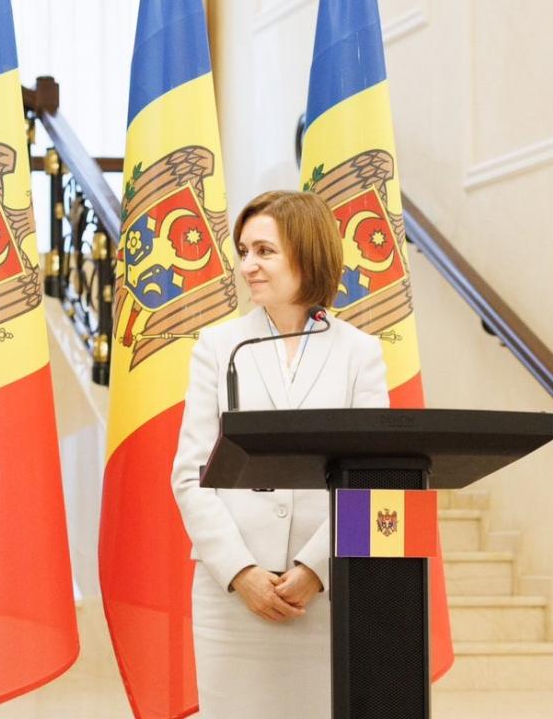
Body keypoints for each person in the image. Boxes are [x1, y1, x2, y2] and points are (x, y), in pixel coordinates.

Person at [170, 190, 388, 718]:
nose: (248, 266)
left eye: (264, 251)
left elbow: (375, 478)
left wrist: (316, 568)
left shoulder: (360, 353)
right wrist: (241, 570)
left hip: (327, 594)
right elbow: (190, 476)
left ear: (305, 253)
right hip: (232, 593)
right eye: (244, 251)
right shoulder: (217, 347)